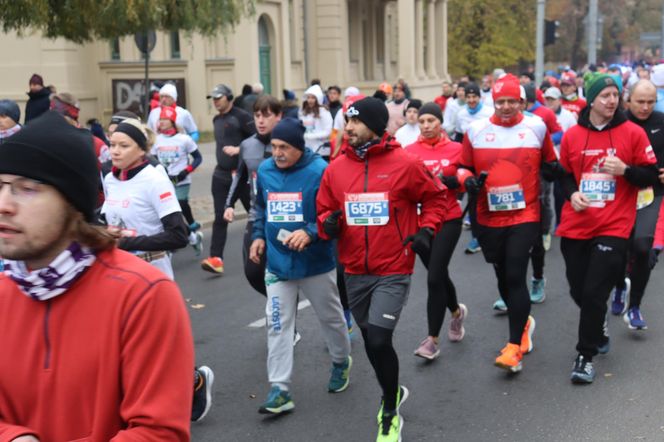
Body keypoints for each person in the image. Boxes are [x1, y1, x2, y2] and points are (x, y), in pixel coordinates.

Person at [0, 111, 195, 440]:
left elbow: (158, 432)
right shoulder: (5, 293)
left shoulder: (145, 295)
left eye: (27, 188)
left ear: (72, 204)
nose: (4, 204)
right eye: (1, 186)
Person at [317, 97, 446, 441]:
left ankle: (389, 409)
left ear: (373, 126)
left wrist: (427, 229)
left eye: (355, 122)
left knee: (378, 337)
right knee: (374, 345)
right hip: (354, 269)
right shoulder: (335, 169)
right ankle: (393, 390)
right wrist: (326, 224)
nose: (348, 128)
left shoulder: (404, 163)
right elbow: (324, 209)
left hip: (393, 267)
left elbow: (436, 198)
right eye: (346, 122)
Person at [557, 73, 658, 384]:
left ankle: (585, 356)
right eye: (605, 95)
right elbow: (563, 175)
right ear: (592, 99)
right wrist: (572, 193)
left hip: (615, 224)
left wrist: (626, 170)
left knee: (593, 291)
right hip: (576, 223)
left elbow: (651, 175)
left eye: (616, 94)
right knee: (578, 289)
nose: (612, 100)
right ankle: (597, 319)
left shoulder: (633, 133)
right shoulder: (573, 135)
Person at [248, 117, 352, 415]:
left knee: (331, 318)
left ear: (299, 147)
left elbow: (334, 214)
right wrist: (258, 236)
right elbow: (261, 209)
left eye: (284, 147)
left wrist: (309, 231)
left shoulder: (320, 171)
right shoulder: (266, 170)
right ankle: (280, 389)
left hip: (315, 263)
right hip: (279, 264)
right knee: (278, 324)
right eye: (274, 146)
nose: (277, 153)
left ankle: (340, 360)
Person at [457, 73, 559, 373]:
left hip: (525, 213)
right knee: (502, 273)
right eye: (500, 101)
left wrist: (557, 171)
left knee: (516, 272)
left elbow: (550, 162)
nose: (505, 107)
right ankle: (523, 319)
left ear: (521, 102)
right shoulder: (475, 130)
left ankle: (514, 347)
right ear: (493, 101)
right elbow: (462, 167)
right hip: (488, 215)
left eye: (511, 101)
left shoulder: (536, 127)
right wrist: (468, 181)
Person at [405, 102, 468, 360]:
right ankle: (456, 312)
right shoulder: (408, 151)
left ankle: (432, 340)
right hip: (420, 223)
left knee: (434, 278)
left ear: (441, 122)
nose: (427, 125)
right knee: (437, 273)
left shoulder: (457, 149)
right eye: (422, 121)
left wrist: (456, 181)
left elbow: (467, 177)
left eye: (432, 120)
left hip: (448, 219)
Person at [608, 79, 664, 330]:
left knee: (642, 248)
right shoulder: (617, 121)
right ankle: (620, 285)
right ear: (628, 100)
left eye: (651, 102)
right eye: (640, 101)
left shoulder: (661, 121)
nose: (645, 107)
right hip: (622, 192)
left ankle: (635, 307)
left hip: (652, 193)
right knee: (619, 248)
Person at [224, 95, 282, 295]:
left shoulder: (286, 144)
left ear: (278, 116)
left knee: (287, 272)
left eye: (266, 115)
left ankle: (282, 307)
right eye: (257, 115)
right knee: (253, 271)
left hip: (282, 215)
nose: (260, 120)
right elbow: (240, 176)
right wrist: (229, 204)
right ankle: (276, 300)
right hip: (256, 214)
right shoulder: (247, 145)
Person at [202, 84, 255, 274]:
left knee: (255, 214)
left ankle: (265, 249)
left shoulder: (242, 117)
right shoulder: (217, 119)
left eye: (219, 97)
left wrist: (239, 150)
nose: (215, 101)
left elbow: (257, 140)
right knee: (219, 217)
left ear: (229, 97)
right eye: (213, 98)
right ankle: (216, 259)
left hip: (241, 175)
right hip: (221, 174)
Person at [151, 106, 205, 255]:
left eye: (164, 119)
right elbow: (154, 159)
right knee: (169, 214)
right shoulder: (157, 140)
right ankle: (192, 237)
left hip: (181, 179)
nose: (160, 122)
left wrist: (185, 171)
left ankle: (190, 226)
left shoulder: (184, 139)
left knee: (180, 204)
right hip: (165, 181)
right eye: (160, 119)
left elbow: (198, 158)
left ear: (173, 121)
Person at [298, 84, 333, 159]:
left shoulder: (324, 112)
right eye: (308, 97)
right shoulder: (303, 112)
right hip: (306, 149)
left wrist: (311, 136)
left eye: (313, 98)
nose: (310, 100)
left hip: (321, 150)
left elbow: (328, 131)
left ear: (318, 99)